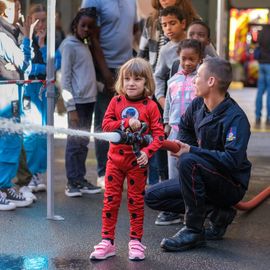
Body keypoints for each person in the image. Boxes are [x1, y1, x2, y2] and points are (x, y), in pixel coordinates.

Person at [145, 57, 252, 251]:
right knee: (152, 196)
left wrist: (192, 152)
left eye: (198, 76)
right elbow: (185, 128)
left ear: (211, 81)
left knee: (189, 161)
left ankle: (193, 231)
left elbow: (232, 161)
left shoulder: (236, 118)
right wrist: (190, 150)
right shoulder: (197, 105)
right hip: (200, 175)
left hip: (229, 184)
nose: (194, 80)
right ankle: (218, 213)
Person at [90, 58, 165, 261]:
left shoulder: (151, 106)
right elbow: (105, 125)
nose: (131, 83)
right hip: (114, 162)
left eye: (137, 79)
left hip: (136, 164)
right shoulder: (116, 101)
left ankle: (136, 242)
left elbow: (159, 136)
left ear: (146, 82)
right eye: (127, 79)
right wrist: (125, 122)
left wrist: (147, 153)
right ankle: (107, 242)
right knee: (110, 201)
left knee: (136, 202)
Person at [138, 0, 200, 185]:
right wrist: (161, 99)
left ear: (183, 23)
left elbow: (213, 61)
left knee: (193, 151)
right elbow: (155, 71)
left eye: (172, 23)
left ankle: (194, 191)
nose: (167, 28)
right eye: (164, 25)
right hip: (170, 104)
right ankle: (164, 185)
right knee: (164, 145)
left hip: (194, 111)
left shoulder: (196, 34)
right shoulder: (157, 33)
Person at [81, 0, 138, 189]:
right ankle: (103, 171)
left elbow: (134, 29)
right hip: (103, 67)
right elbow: (90, 36)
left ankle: (123, 167)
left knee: (129, 118)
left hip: (127, 67)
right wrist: (105, 73)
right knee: (105, 119)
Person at [19, 3, 62, 193]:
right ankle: (29, 174)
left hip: (46, 93)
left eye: (45, 20)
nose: (41, 24)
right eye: (38, 20)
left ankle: (38, 173)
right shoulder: (23, 40)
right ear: (30, 21)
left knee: (44, 133)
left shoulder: (52, 42)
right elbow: (26, 67)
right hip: (29, 91)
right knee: (31, 133)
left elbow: (55, 64)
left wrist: (44, 45)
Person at [60, 8, 101, 197]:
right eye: (82, 25)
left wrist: (100, 87)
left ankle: (80, 179)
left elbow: (85, 74)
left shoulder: (84, 44)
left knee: (83, 141)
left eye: (90, 27)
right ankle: (72, 182)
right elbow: (65, 79)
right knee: (74, 142)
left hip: (89, 101)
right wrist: (71, 107)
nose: (86, 29)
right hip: (77, 103)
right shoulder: (69, 45)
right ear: (75, 24)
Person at [0, 0, 33, 210]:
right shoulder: (3, 35)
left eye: (19, 8)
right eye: (15, 8)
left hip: (12, 92)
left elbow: (21, 66)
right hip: (5, 94)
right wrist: (27, 38)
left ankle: (4, 186)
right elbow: (23, 62)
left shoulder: (11, 32)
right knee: (7, 141)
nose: (19, 12)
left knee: (12, 140)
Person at [164, 39, 203, 182]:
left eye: (192, 59)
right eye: (183, 59)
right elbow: (168, 102)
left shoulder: (200, 80)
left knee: (190, 166)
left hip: (193, 131)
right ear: (178, 57)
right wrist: (166, 123)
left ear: (200, 59)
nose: (187, 63)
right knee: (173, 167)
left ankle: (190, 197)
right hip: (174, 130)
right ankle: (174, 196)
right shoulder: (173, 80)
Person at [255, 24, 270, 126]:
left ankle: (257, 116)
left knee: (260, 91)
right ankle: (269, 117)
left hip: (261, 64)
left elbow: (257, 44)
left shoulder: (262, 31)